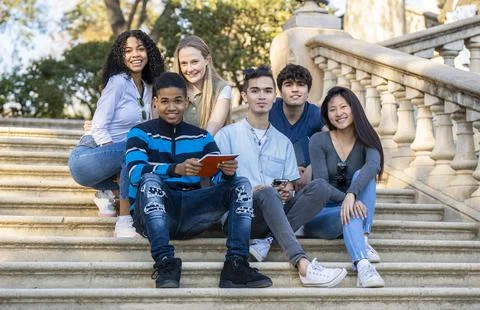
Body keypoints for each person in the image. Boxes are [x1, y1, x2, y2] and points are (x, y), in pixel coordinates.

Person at [124, 72, 272, 289]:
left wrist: (227, 172)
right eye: (164, 101)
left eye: (177, 101)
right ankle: (166, 262)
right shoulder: (140, 132)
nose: (171, 107)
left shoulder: (201, 137)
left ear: (186, 102)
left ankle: (236, 265)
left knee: (241, 184)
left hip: (194, 211)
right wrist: (176, 169)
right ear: (155, 103)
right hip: (156, 213)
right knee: (149, 182)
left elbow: (218, 174)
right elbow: (135, 172)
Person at [215, 66, 347, 287]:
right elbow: (216, 187)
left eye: (267, 91)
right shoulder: (226, 135)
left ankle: (268, 240)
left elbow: (288, 186)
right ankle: (302, 263)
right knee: (265, 191)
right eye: (255, 91)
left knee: (321, 187)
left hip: (273, 213)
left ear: (273, 97)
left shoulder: (283, 143)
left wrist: (287, 189)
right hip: (240, 218)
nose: (261, 96)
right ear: (245, 96)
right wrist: (249, 189)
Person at [68, 30, 165, 238]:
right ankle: (124, 222)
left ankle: (108, 193)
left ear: (149, 53)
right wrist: (115, 151)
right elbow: (99, 126)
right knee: (134, 148)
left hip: (118, 158)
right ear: (120, 57)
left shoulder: (149, 87)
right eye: (127, 51)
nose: (135, 54)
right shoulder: (118, 82)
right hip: (88, 156)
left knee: (144, 152)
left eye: (140, 49)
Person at [303, 86, 385, 288]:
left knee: (362, 176)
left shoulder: (367, 138)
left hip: (353, 212)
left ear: (354, 108)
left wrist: (351, 194)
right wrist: (348, 199)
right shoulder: (318, 140)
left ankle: (363, 249)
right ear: (327, 114)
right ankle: (363, 261)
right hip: (322, 215)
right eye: (332, 109)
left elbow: (374, 165)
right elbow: (321, 185)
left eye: (343, 106)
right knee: (352, 209)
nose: (338, 113)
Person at [269, 64, 327, 190]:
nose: (295, 89)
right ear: (280, 90)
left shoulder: (315, 114)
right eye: (289, 84)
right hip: (272, 179)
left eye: (300, 84)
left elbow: (333, 144)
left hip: (304, 181)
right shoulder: (269, 111)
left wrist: (311, 168)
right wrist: (290, 169)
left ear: (308, 91)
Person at [173, 35, 232, 135]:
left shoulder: (221, 88)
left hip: (211, 149)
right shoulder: (174, 91)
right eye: (184, 63)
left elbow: (211, 130)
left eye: (194, 62)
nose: (189, 69)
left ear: (207, 60)